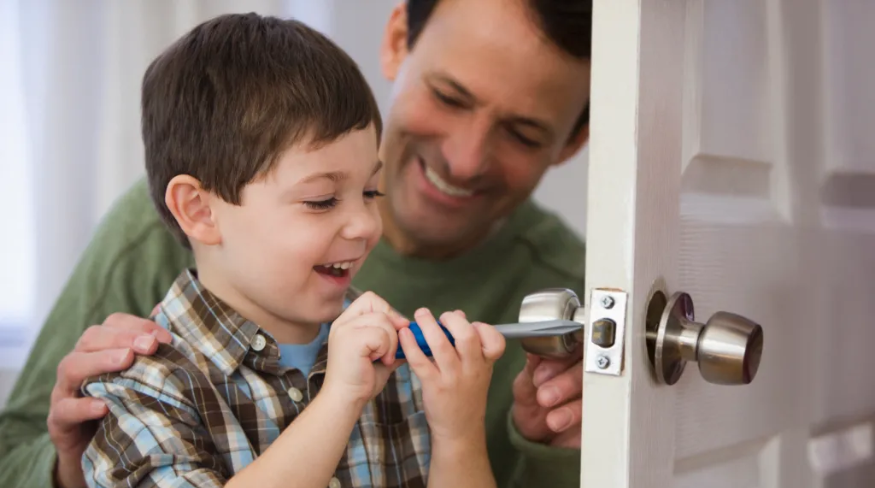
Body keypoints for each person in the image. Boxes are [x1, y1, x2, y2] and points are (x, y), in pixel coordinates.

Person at [0, 0, 592, 487]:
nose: (363, 227)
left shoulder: (391, 369)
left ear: (574, 140)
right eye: (320, 200)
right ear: (199, 211)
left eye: (371, 191)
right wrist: (338, 401)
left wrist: (458, 435)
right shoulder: (140, 386)